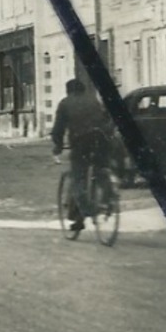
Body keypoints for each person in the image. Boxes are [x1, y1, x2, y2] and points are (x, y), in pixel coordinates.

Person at [52, 77, 111, 238]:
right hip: (101, 141)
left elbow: (58, 128)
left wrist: (57, 146)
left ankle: (89, 209)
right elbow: (105, 119)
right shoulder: (94, 100)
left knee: (78, 178)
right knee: (100, 171)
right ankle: (108, 199)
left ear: (68, 91)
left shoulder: (65, 103)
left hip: (81, 143)